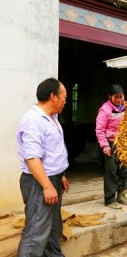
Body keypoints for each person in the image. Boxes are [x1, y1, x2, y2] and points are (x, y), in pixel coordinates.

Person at [16, 77, 70, 256]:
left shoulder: (51, 117)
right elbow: (32, 158)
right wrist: (47, 185)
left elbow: (51, 152)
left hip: (51, 179)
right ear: (53, 96)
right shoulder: (33, 120)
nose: (65, 101)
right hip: (39, 183)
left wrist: (59, 175)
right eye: (64, 97)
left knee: (53, 229)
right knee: (36, 234)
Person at [95, 84, 127, 209]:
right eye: (116, 97)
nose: (119, 100)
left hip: (124, 143)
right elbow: (99, 130)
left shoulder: (126, 107)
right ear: (109, 96)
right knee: (111, 172)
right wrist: (105, 146)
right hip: (110, 144)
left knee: (124, 169)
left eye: (121, 97)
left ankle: (121, 195)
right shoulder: (105, 110)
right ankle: (110, 199)